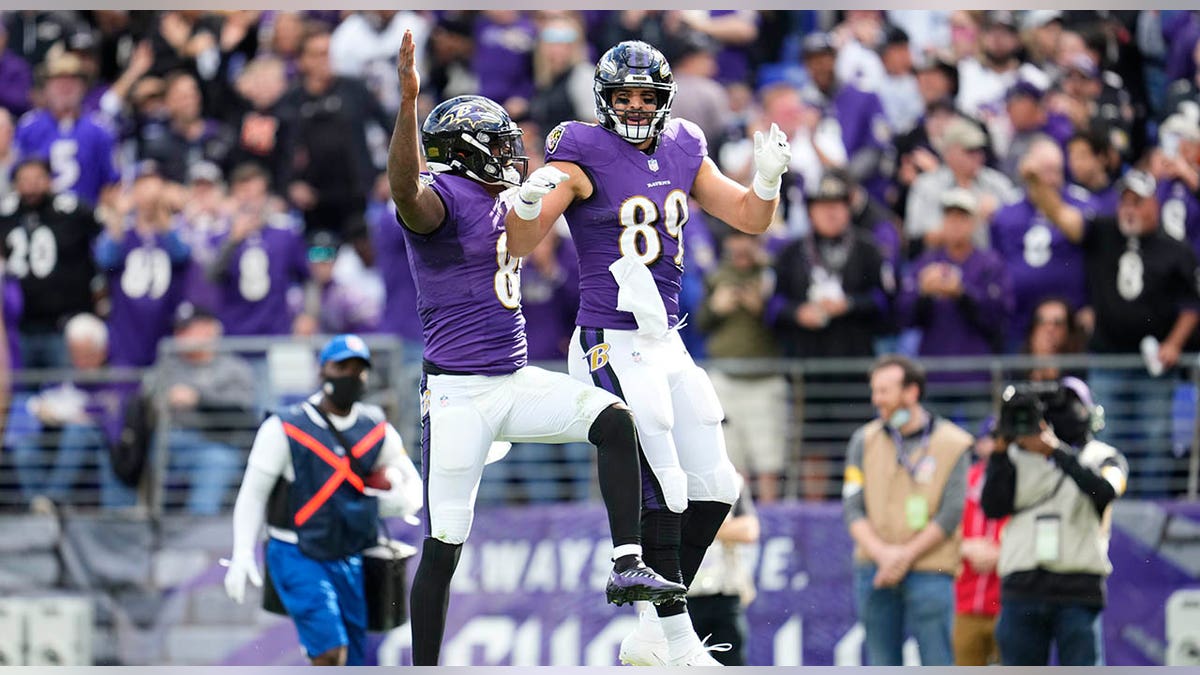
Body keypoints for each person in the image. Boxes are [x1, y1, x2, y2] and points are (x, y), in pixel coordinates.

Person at [385, 31, 685, 667]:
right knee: (445, 543)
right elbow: (406, 191)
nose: (509, 156)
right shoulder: (439, 198)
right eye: (496, 146)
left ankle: (626, 562)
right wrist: (408, 104)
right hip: (460, 393)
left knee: (615, 420)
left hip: (514, 379)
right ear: (464, 152)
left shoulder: (504, 197)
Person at [504, 38, 791, 666]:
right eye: (624, 96)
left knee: (716, 483)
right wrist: (528, 201)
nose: (635, 106)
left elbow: (749, 217)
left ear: (664, 99)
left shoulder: (686, 142)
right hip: (610, 336)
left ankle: (649, 627)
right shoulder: (580, 147)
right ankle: (676, 638)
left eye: (646, 95)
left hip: (667, 339)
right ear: (605, 101)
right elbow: (525, 238)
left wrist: (766, 180)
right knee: (661, 466)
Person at [222, 334, 423, 666]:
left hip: (350, 554)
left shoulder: (375, 428)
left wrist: (386, 500)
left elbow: (413, 489)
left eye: (359, 369)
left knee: (355, 662)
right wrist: (243, 551)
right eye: (341, 366)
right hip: (296, 551)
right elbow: (253, 493)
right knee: (331, 652)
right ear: (323, 370)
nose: (351, 376)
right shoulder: (284, 426)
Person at [1026, 166, 1200, 494]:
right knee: (1106, 437)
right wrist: (1036, 184)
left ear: (1155, 206)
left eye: (1138, 201)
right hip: (1108, 359)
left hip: (1153, 367)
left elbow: (1192, 305)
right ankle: (1108, 507)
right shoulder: (1104, 233)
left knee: (1154, 438)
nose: (1130, 209)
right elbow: (1063, 216)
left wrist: (1174, 343)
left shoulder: (1175, 249)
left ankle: (1153, 507)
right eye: (1125, 202)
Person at [983, 377, 1128, 665]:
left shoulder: (1106, 457)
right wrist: (1000, 450)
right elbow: (992, 507)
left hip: (1078, 591)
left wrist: (1056, 451)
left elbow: (1107, 490)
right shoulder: (1014, 456)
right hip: (1022, 589)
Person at [842, 355, 972, 666]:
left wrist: (903, 556)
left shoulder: (954, 443)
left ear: (911, 392)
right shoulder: (863, 440)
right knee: (881, 662)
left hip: (931, 571)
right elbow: (852, 507)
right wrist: (884, 554)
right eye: (875, 391)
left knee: (937, 661)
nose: (876, 400)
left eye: (884, 391)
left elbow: (951, 513)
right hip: (874, 567)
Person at [0, 158, 102, 369]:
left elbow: (102, 237)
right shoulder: (5, 215)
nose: (31, 186)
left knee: (65, 395)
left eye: (37, 179)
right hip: (19, 329)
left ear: (49, 180)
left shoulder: (73, 211)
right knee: (18, 394)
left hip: (62, 325)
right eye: (24, 180)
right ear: (15, 183)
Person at [953, 417, 1006, 666]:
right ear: (979, 445)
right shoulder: (962, 482)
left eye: (1000, 440)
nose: (995, 446)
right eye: (990, 439)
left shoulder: (1024, 482)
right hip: (965, 601)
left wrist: (1002, 553)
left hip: (1006, 603)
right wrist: (965, 547)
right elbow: (941, 527)